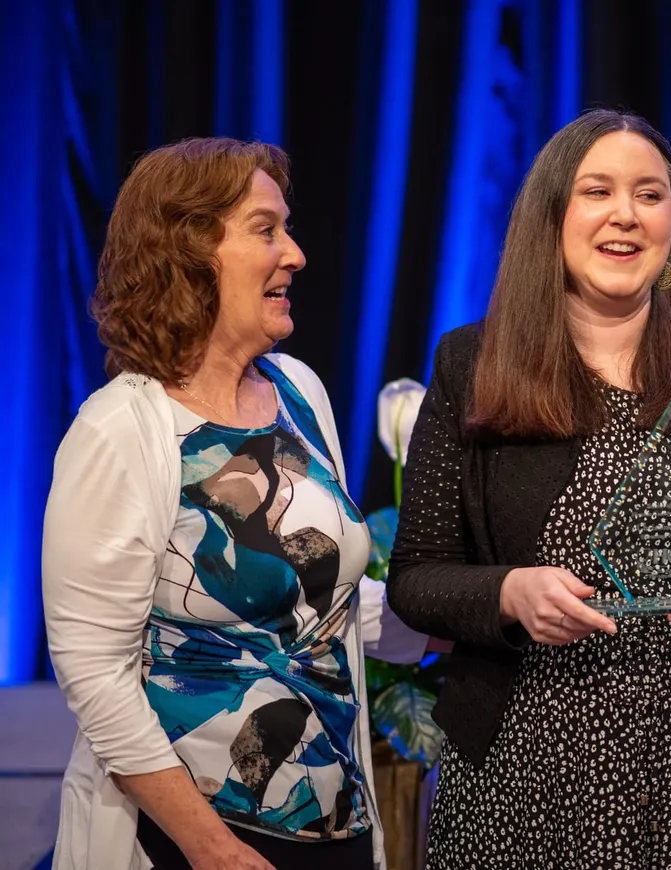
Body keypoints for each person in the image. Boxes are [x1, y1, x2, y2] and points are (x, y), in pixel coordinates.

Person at [384, 108, 671, 868]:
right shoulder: (472, 363)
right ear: (552, 216)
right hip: (524, 779)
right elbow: (417, 578)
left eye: (650, 194)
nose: (626, 216)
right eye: (597, 191)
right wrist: (509, 595)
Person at [42, 137, 430, 870]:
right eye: (265, 230)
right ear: (189, 251)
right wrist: (210, 847)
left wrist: (462, 612)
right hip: (194, 843)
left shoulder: (297, 391)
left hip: (335, 825)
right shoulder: (120, 429)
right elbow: (96, 674)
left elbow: (322, 606)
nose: (296, 254)